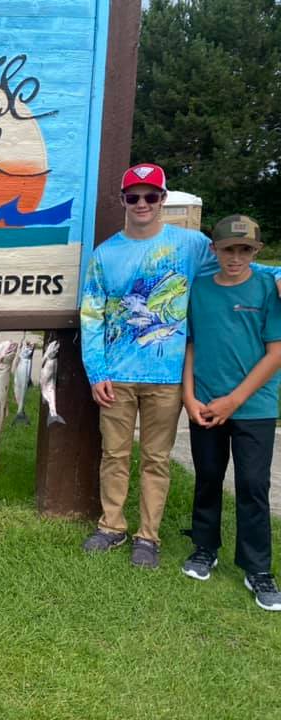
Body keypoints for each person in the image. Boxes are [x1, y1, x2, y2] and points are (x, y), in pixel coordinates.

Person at [79, 163, 281, 568]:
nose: (142, 203)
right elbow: (91, 314)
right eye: (133, 196)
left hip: (168, 377)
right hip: (116, 375)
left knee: (156, 458)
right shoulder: (105, 253)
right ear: (122, 201)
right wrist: (96, 371)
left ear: (162, 200)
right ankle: (111, 526)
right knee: (114, 454)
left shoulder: (190, 245)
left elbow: (236, 261)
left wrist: (278, 272)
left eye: (150, 196)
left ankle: (147, 537)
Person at [181, 215, 281, 611]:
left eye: (244, 250)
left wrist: (235, 400)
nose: (235, 257)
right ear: (215, 250)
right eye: (228, 249)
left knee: (253, 485)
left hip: (253, 406)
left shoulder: (268, 290)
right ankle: (205, 547)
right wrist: (189, 397)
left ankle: (257, 567)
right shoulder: (200, 290)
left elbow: (276, 352)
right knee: (207, 477)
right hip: (205, 402)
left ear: (256, 252)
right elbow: (190, 345)